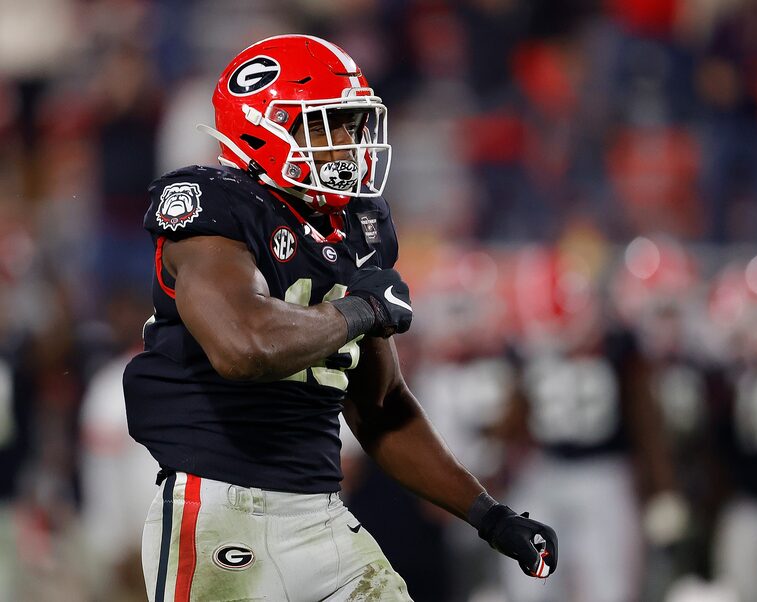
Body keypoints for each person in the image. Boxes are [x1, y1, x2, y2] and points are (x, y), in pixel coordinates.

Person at [123, 34, 557, 601]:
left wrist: (490, 518)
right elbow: (243, 346)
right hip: (218, 515)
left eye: (353, 126)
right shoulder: (210, 208)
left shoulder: (356, 229)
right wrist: (361, 308)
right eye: (328, 125)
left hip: (322, 516)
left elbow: (380, 408)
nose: (349, 145)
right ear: (264, 126)